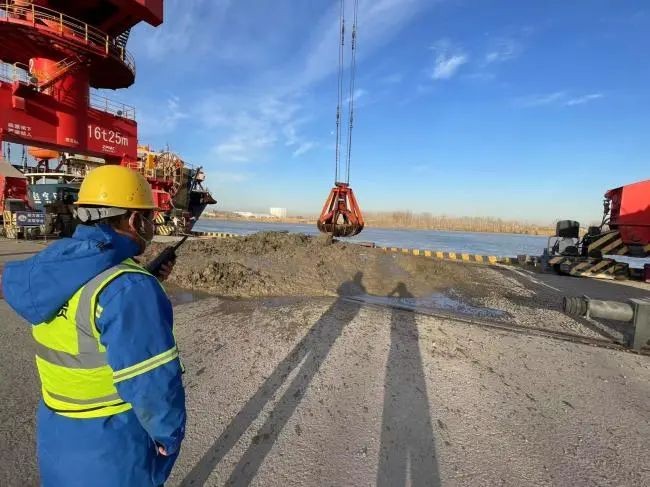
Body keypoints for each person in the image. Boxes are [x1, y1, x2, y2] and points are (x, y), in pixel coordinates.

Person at [2, 165, 186, 486]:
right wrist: (168, 438)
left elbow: (83, 315)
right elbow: (153, 386)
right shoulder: (129, 288)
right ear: (134, 220)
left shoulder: (56, 265)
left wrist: (142, 279)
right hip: (113, 446)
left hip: (58, 434)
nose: (150, 226)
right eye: (148, 217)